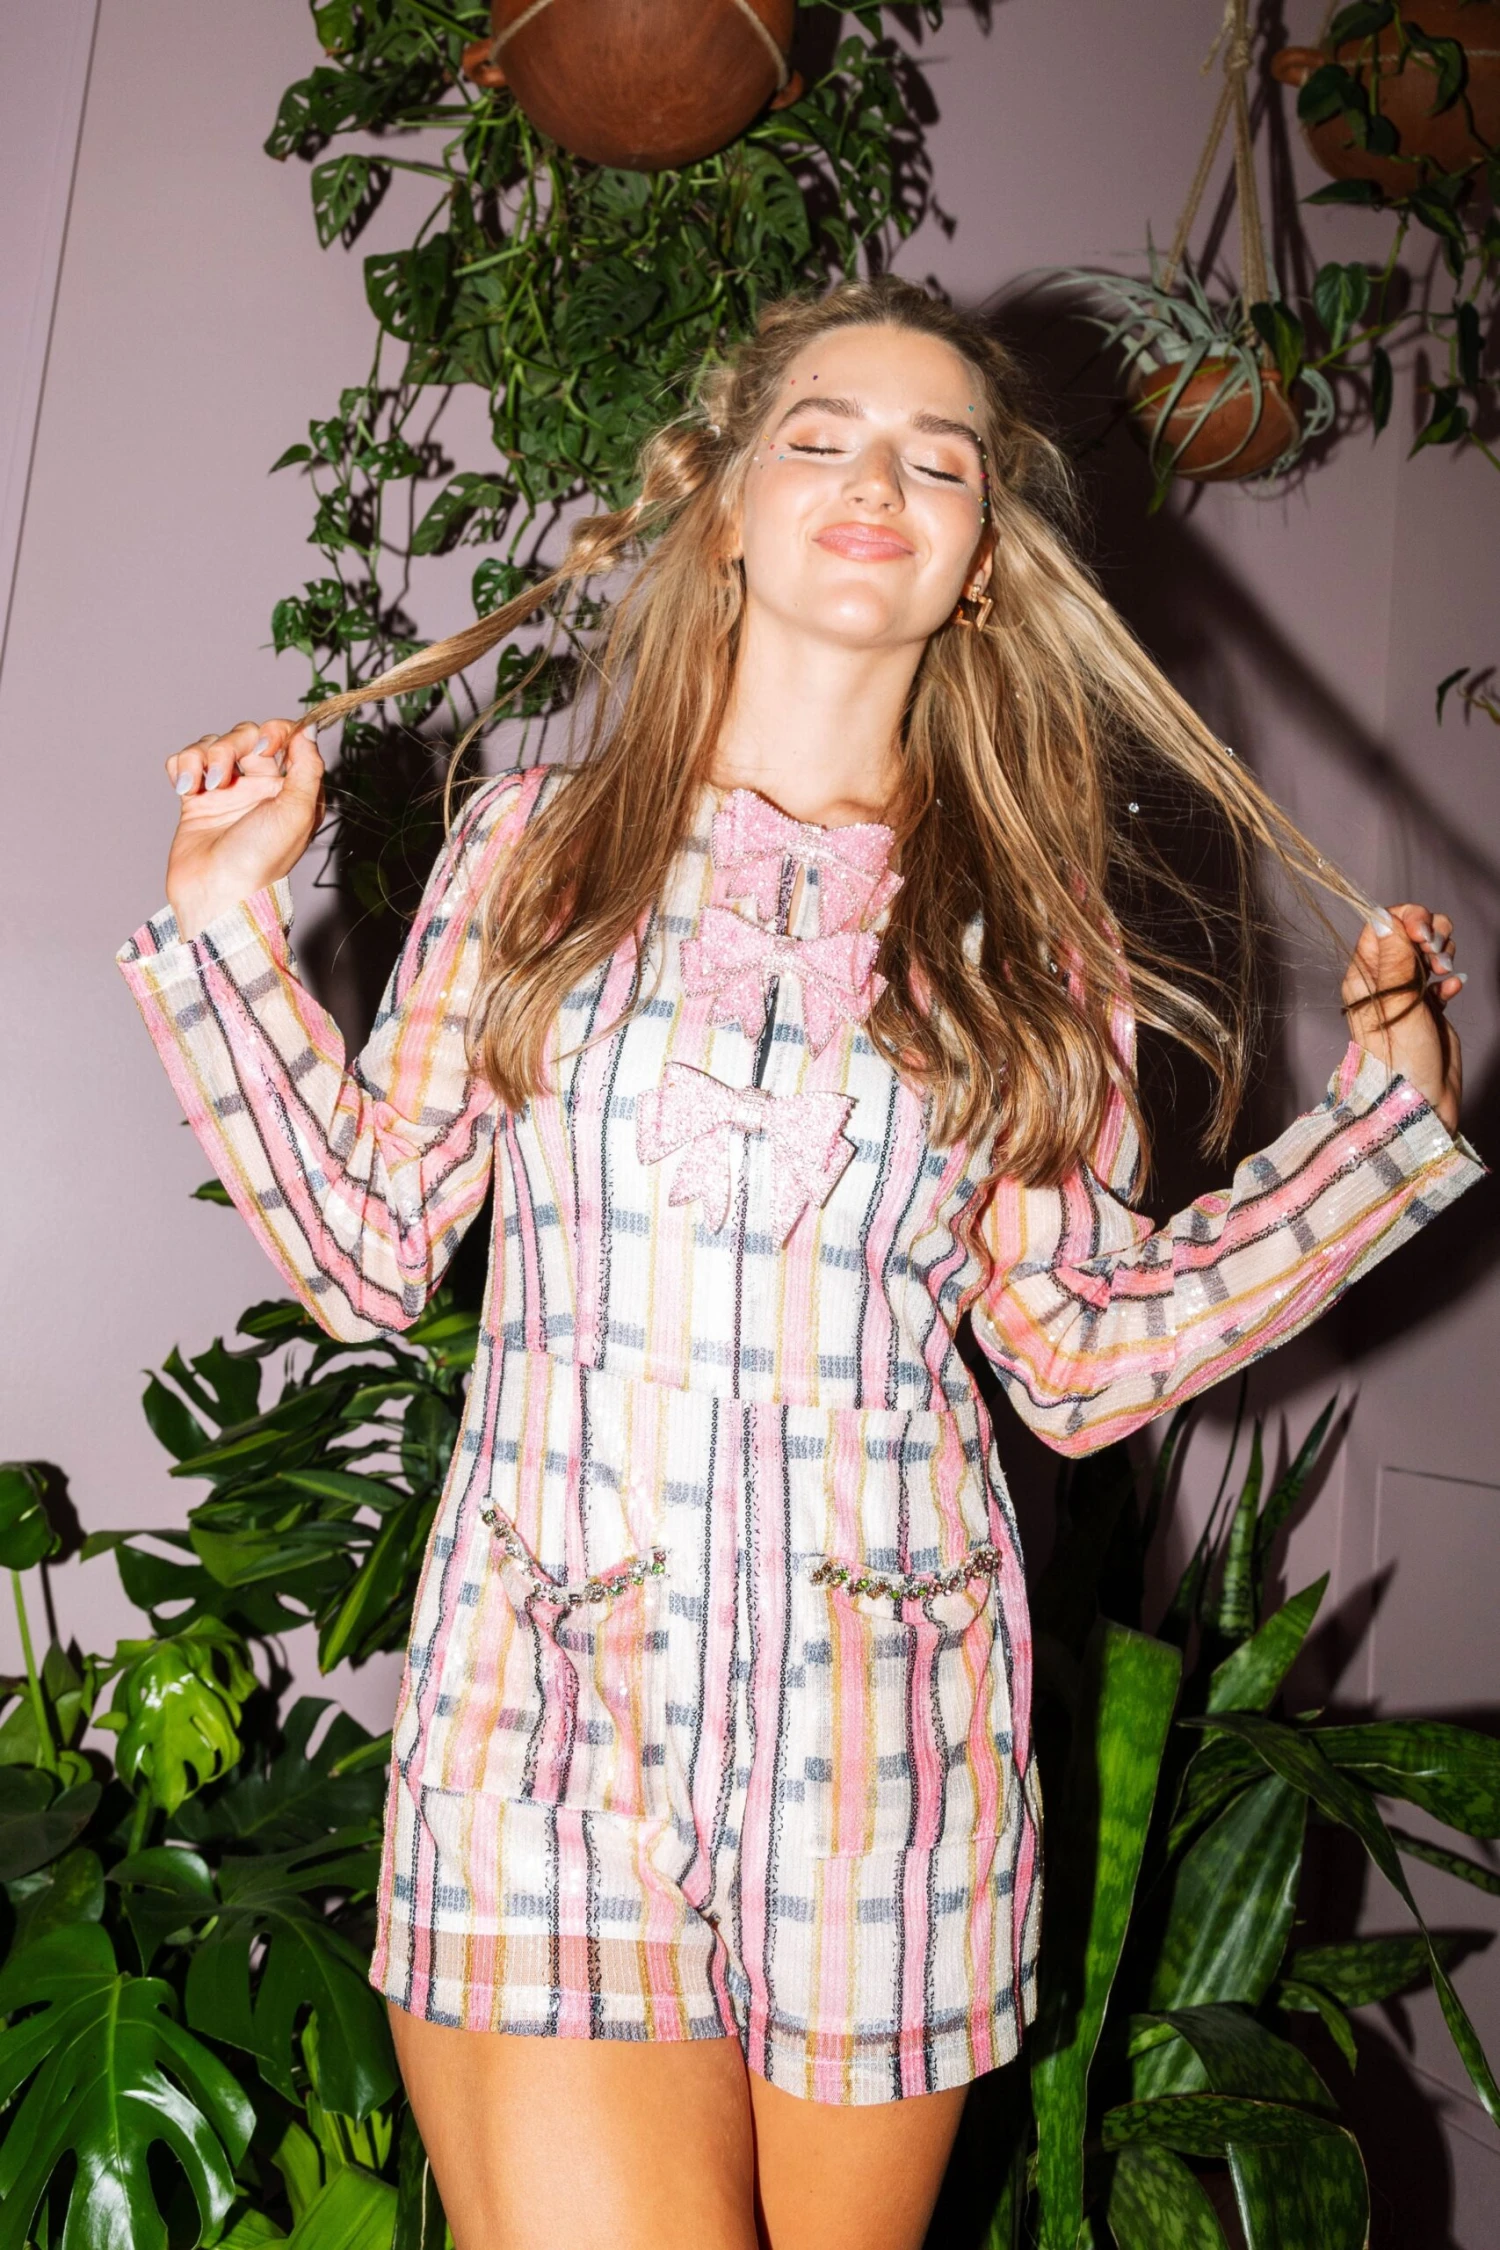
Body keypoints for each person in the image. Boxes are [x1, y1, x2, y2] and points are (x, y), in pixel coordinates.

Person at [118, 279, 1480, 2250]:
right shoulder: (533, 849)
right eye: (821, 436)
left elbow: (1078, 1352)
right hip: (549, 1713)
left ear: (984, 563)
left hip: (890, 1754)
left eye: (940, 459)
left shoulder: (1046, 940)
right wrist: (224, 928)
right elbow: (365, 1247)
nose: (877, 480)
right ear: (727, 510)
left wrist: (1385, 1129)